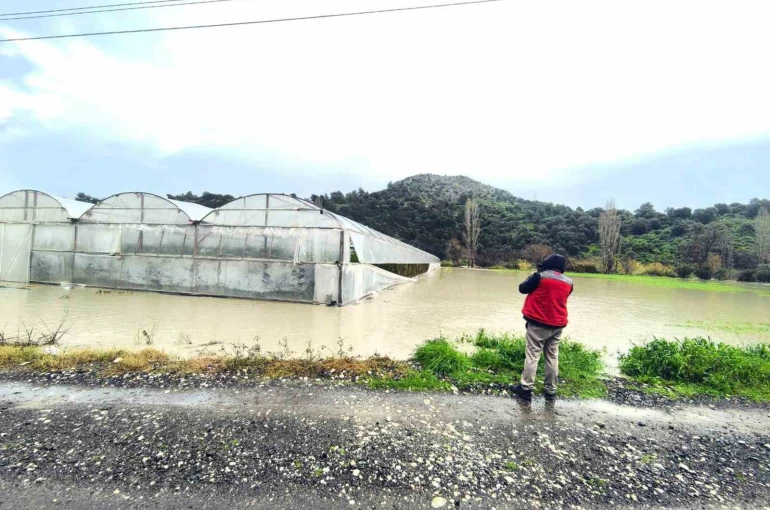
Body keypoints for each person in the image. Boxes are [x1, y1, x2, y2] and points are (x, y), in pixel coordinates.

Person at [512, 254, 573, 402]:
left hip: (538, 323)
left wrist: (534, 275)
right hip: (558, 324)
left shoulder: (539, 276)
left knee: (533, 354)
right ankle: (550, 390)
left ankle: (526, 389)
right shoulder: (569, 282)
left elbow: (522, 288)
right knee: (552, 356)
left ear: (546, 263)